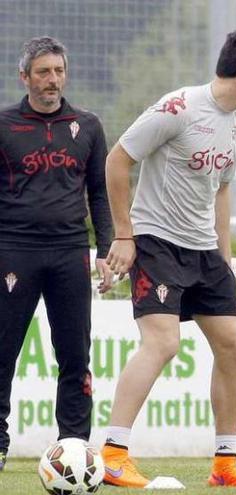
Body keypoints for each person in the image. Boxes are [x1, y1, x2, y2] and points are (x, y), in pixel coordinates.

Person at [100, 29, 236, 488]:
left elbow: (219, 188)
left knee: (233, 345)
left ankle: (224, 465)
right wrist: (125, 234)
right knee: (162, 343)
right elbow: (117, 161)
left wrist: (223, 257)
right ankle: (112, 453)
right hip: (157, 241)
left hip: (204, 250)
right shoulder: (178, 107)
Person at [0, 36, 113, 473]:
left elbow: (100, 194)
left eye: (59, 71)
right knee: (3, 351)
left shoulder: (88, 125)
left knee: (74, 354)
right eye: (43, 72)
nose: (52, 80)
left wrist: (106, 249)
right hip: (13, 251)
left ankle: (75, 448)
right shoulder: (5, 124)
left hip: (70, 253)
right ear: (24, 76)